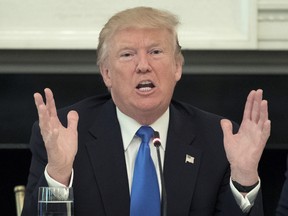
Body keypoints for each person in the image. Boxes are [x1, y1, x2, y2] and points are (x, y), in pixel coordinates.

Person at [21, 6, 271, 216]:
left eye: (155, 52)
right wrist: (59, 176)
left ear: (177, 67)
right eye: (128, 54)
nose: (143, 66)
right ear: (106, 73)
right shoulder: (64, 134)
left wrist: (244, 178)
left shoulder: (217, 139)